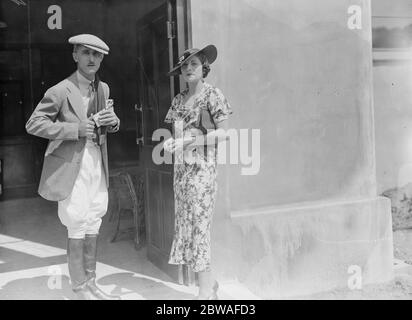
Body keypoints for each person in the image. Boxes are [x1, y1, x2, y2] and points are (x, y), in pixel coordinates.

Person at [25, 34, 120, 300]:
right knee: (76, 220)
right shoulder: (59, 90)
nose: (92, 59)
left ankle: (91, 284)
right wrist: (74, 129)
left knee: (93, 219)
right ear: (75, 55)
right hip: (70, 163)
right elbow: (34, 124)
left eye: (97, 55)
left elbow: (107, 124)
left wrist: (113, 122)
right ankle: (79, 289)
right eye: (86, 53)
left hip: (96, 161)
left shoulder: (103, 89)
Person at [164, 44, 232, 299]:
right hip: (181, 172)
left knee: (200, 228)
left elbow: (225, 133)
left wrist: (194, 140)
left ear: (204, 67)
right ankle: (210, 283)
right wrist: (172, 143)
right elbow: (177, 134)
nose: (189, 69)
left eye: (193, 64)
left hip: (202, 172)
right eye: (184, 66)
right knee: (187, 226)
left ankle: (205, 292)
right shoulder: (178, 100)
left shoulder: (213, 95)